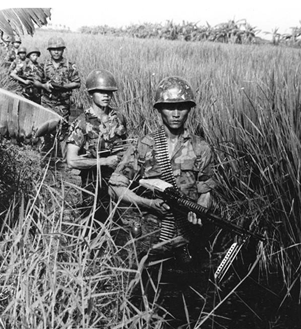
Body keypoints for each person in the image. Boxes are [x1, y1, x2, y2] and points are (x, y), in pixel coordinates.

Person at [109, 76, 215, 264]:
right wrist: (147, 203)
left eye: (181, 107)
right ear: (159, 110)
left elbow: (205, 192)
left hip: (185, 236)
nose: (176, 114)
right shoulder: (144, 146)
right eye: (169, 107)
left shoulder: (201, 148)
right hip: (149, 237)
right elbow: (115, 187)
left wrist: (199, 209)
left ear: (189, 109)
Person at [66, 70, 127, 221]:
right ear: (91, 94)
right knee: (93, 224)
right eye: (101, 92)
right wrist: (104, 161)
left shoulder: (118, 118)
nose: (106, 95)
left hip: (117, 183)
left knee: (116, 225)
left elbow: (127, 148)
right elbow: (71, 160)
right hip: (92, 185)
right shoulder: (81, 122)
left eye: (109, 92)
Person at [39, 36, 80, 156]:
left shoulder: (69, 66)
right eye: (53, 49)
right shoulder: (44, 65)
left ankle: (62, 158)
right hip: (46, 102)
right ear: (49, 51)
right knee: (45, 130)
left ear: (63, 50)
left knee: (62, 132)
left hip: (63, 104)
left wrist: (64, 87)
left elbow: (77, 83)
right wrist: (44, 86)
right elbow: (36, 81)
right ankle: (45, 156)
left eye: (59, 49)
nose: (56, 52)